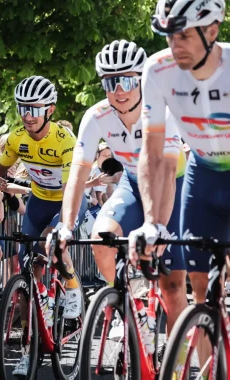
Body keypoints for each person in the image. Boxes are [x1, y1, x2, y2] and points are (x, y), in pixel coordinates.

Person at [0, 75, 87, 376]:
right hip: (39, 200)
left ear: (50, 110)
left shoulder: (65, 141)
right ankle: (27, 348)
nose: (28, 114)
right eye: (23, 107)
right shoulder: (16, 138)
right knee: (26, 280)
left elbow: (71, 186)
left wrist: (56, 228)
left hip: (67, 199)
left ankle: (72, 288)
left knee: (53, 243)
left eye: (35, 108)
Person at [56, 40, 188, 345]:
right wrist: (67, 223)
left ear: (142, 79)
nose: (120, 89)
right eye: (111, 81)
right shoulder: (96, 115)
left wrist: (157, 226)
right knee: (102, 239)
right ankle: (124, 304)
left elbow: (166, 172)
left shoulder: (161, 108)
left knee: (173, 288)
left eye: (128, 80)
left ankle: (176, 362)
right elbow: (77, 174)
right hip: (132, 183)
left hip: (174, 187)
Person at [127, 0, 227, 375]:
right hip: (203, 175)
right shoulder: (158, 69)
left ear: (212, 30)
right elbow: (152, 154)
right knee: (200, 291)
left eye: (184, 34)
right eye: (170, 35)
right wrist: (152, 222)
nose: (175, 44)